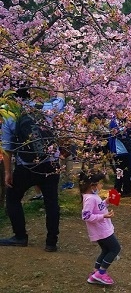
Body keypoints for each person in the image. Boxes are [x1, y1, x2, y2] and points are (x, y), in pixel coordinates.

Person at [0, 86, 64, 251]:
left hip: (27, 167)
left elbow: (6, 148)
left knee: (13, 198)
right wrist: (60, 85)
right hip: (50, 164)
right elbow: (61, 100)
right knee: (52, 202)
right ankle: (51, 242)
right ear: (30, 94)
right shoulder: (45, 108)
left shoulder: (10, 116)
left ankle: (20, 236)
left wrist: (8, 172)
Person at [79, 170, 121, 285]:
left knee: (106, 250)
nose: (101, 185)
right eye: (100, 183)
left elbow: (98, 207)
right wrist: (104, 216)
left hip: (103, 229)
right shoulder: (90, 198)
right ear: (92, 186)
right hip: (101, 230)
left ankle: (95, 273)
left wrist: (107, 201)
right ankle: (101, 273)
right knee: (115, 249)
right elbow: (86, 216)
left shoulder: (93, 196)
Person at [107, 117, 131, 197]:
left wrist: (130, 126)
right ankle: (120, 190)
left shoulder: (122, 120)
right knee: (121, 171)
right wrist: (125, 127)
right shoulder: (113, 121)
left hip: (125, 151)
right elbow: (116, 133)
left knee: (125, 172)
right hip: (119, 152)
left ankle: (124, 189)